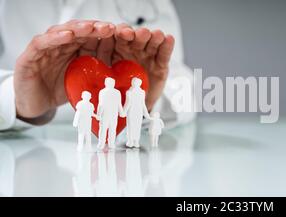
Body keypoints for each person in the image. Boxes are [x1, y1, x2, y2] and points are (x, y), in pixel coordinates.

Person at [0, 0, 195, 132]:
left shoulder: (150, 5)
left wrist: (147, 103)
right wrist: (15, 100)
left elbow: (186, 92)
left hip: (118, 154)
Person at [122, 77, 150, 148]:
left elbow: (143, 104)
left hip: (139, 111)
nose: (135, 83)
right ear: (132, 83)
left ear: (140, 83)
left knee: (137, 126)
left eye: (137, 82)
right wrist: (124, 111)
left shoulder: (142, 92)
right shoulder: (129, 92)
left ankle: (136, 141)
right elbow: (128, 103)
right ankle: (130, 141)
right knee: (130, 125)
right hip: (131, 111)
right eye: (134, 82)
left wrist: (146, 113)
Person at [97, 78, 122, 149]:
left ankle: (111, 143)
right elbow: (100, 104)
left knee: (113, 129)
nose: (112, 84)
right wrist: (98, 114)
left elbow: (119, 104)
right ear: (105, 83)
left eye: (113, 82)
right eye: (110, 82)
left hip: (114, 114)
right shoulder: (102, 92)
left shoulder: (117, 92)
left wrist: (121, 112)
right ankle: (101, 143)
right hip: (105, 114)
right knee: (103, 129)